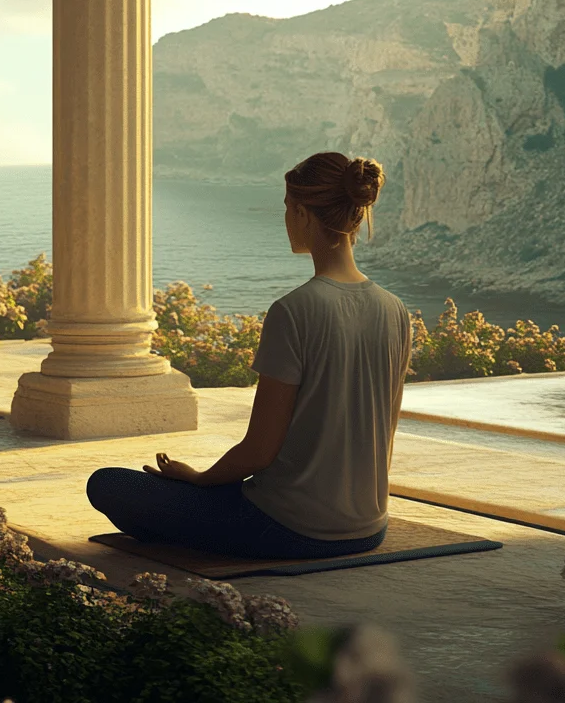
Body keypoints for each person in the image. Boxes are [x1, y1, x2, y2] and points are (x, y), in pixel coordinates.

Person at [86, 152, 413, 560]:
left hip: (291, 527)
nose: (285, 220)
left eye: (286, 209)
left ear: (302, 213)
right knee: (213, 495)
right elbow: (385, 429)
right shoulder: (395, 309)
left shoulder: (294, 310)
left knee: (107, 484)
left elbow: (260, 450)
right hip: (368, 528)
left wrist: (201, 479)